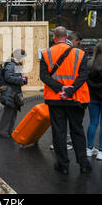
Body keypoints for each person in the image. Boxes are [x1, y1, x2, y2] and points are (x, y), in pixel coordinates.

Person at [40, 27, 92, 175]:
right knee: (77, 130)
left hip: (55, 99)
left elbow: (44, 76)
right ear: (67, 36)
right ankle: (83, 164)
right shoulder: (80, 53)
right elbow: (83, 75)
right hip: (75, 98)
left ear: (54, 37)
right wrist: (70, 90)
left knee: (59, 132)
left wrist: (59, 88)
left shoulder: (46, 53)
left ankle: (62, 165)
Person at [0, 49, 28, 138]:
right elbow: (8, 77)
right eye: (23, 58)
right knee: (8, 113)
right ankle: (3, 132)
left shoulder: (17, 65)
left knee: (13, 112)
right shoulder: (10, 64)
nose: (24, 60)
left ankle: (9, 131)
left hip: (15, 92)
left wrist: (24, 80)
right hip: (10, 92)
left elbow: (21, 78)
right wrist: (21, 80)